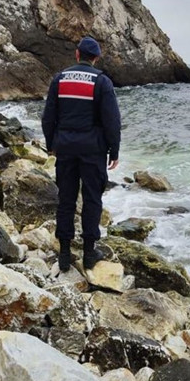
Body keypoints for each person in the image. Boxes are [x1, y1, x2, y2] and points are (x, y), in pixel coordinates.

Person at [41, 36, 121, 272]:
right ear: (96, 58)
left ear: (77, 54)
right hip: (92, 150)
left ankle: (65, 253)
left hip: (65, 147)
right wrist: (114, 150)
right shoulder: (102, 81)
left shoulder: (60, 79)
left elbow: (48, 116)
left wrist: (51, 143)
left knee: (66, 198)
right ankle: (89, 252)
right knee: (92, 198)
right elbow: (112, 121)